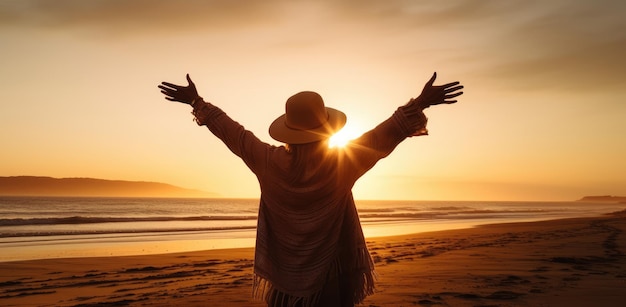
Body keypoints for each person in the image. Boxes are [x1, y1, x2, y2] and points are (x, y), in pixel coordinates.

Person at [158, 73, 463, 307]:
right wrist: (421, 101)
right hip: (332, 279)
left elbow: (233, 133)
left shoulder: (267, 161)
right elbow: (386, 132)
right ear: (326, 127)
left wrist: (196, 102)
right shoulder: (344, 163)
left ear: (288, 131)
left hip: (283, 282)